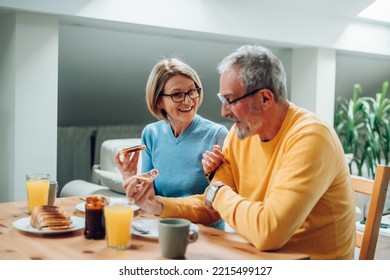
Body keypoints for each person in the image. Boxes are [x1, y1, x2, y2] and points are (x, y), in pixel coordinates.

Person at [122, 45, 356, 259]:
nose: (224, 112)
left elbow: (268, 231)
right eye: (222, 99)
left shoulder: (311, 137)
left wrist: (218, 192)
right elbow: (209, 203)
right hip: (257, 256)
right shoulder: (239, 134)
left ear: (265, 98)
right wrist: (158, 205)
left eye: (231, 100)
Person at [115, 57, 229, 229]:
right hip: (160, 230)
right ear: (158, 100)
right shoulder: (151, 134)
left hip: (204, 234)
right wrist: (130, 177)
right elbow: (148, 200)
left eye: (192, 91)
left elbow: (221, 202)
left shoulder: (217, 135)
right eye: (177, 94)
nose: (189, 101)